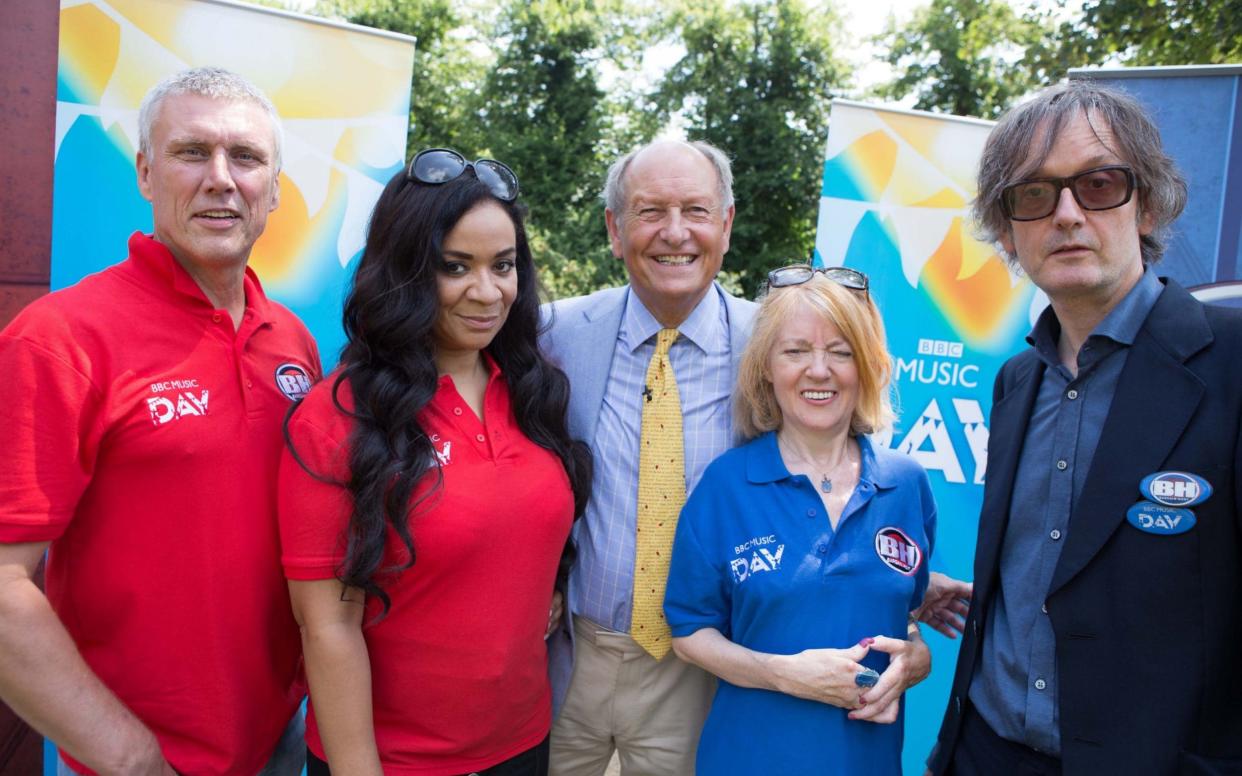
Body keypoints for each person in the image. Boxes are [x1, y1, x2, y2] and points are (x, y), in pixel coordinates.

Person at [543, 139, 969, 775]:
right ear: (613, 228)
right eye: (650, 211)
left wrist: (910, 604)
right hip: (569, 653)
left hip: (697, 675)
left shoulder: (776, 343)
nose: (675, 232)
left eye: (695, 209)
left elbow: (832, 507)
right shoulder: (552, 334)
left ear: (727, 222)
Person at [0, 67, 318, 775]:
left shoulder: (291, 341)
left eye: (246, 157)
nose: (220, 178)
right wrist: (132, 758)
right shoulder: (61, 337)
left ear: (272, 186)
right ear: (145, 173)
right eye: (190, 152)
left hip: (278, 742)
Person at [927, 81, 1242, 775]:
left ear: (1149, 204)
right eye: (1034, 194)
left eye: (1098, 184)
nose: (1066, 214)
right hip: (985, 751)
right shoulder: (1016, 380)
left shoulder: (1231, 362)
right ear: (1007, 228)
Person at [277, 148, 592, 775]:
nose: (488, 291)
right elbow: (327, 631)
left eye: (504, 266)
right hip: (393, 762)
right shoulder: (339, 417)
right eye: (456, 267)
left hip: (523, 745)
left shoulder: (535, 391)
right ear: (406, 270)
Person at [664, 268, 936, 774]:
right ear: (766, 366)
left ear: (870, 366)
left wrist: (916, 658)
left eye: (841, 351)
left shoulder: (907, 485)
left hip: (868, 762)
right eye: (795, 351)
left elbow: (905, 613)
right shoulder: (726, 486)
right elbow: (689, 632)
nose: (819, 370)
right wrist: (783, 674)